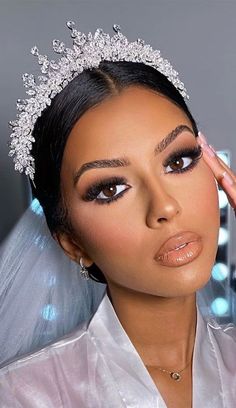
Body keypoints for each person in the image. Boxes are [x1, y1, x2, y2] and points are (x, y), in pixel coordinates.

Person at [0, 21, 236, 408]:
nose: (164, 206)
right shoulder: (25, 395)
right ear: (73, 242)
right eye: (111, 189)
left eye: (178, 161)